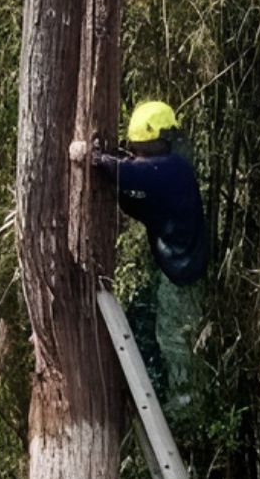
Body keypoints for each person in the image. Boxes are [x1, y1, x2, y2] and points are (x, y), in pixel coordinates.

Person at [72, 97, 214, 416]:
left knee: (175, 338)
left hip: (183, 274)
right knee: (144, 322)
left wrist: (94, 158)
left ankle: (186, 407)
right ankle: (158, 393)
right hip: (173, 268)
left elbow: (134, 176)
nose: (136, 155)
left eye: (140, 150)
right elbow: (134, 190)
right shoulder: (170, 167)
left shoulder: (173, 169)